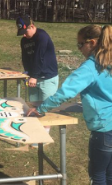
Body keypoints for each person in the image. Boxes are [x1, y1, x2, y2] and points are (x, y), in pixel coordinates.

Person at [26, 25, 112, 185]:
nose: (79, 49)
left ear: (92, 43)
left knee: (98, 175)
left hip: (104, 130)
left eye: (80, 44)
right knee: (110, 174)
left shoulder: (90, 67)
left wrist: (41, 108)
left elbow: (66, 92)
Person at [16, 15, 58, 147]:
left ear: (32, 27)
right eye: (22, 33)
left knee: (45, 107)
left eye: (26, 32)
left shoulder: (42, 37)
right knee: (34, 107)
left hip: (47, 77)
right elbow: (26, 58)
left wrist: (34, 76)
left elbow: (39, 57)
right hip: (33, 77)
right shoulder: (24, 41)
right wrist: (27, 73)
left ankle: (44, 136)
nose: (24, 36)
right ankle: (35, 133)